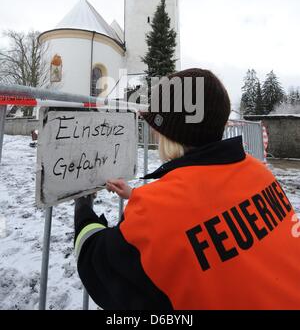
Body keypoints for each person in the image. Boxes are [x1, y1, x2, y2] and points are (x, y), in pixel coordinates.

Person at [74, 68, 300, 310]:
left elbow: (99, 265)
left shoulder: (156, 213)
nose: (152, 131)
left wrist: (83, 203)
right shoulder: (258, 172)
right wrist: (138, 195)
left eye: (155, 124)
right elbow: (207, 206)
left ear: (169, 132)